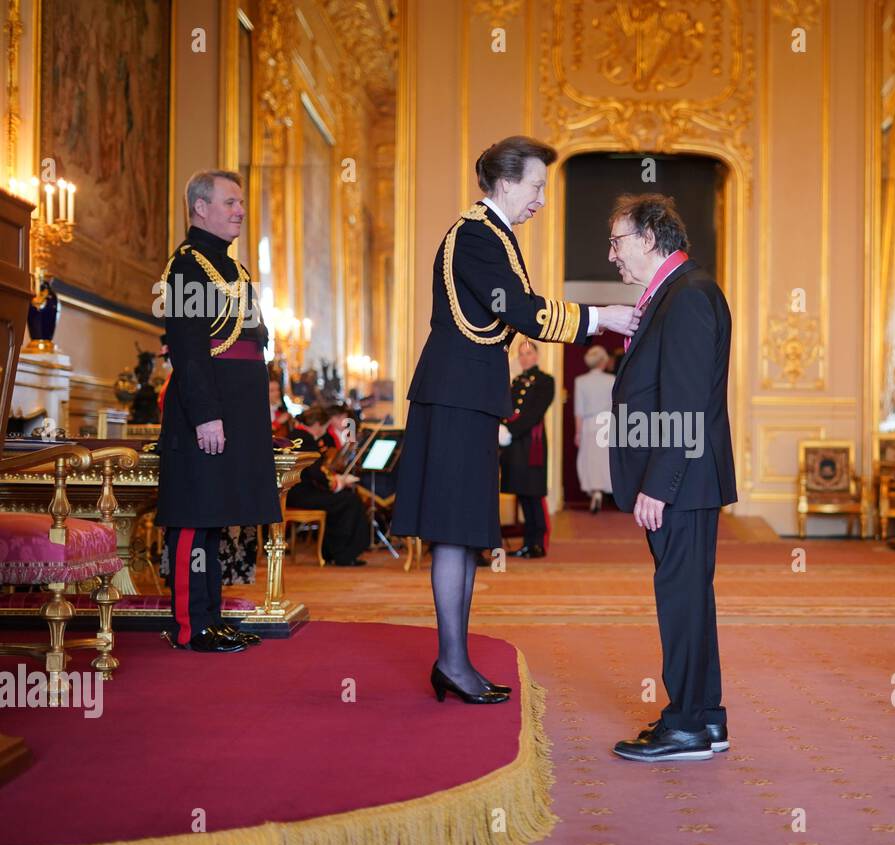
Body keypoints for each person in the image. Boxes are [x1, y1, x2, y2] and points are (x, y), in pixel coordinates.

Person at [391, 135, 639, 705]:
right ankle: (452, 661)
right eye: (536, 186)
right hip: (456, 397)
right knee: (456, 531)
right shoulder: (477, 235)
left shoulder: (492, 235)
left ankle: (453, 660)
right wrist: (600, 317)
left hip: (468, 395)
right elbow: (519, 309)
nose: (541, 200)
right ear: (506, 183)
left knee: (463, 532)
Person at [602, 194, 738, 762]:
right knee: (689, 597)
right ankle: (704, 719)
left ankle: (684, 725)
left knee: (679, 599)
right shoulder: (676, 294)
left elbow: (685, 401)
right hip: (685, 478)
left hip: (680, 482)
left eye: (617, 241)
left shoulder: (686, 297)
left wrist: (659, 484)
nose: (611, 255)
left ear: (651, 237)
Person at [156, 170, 280, 652]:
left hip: (239, 411)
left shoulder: (235, 270)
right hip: (203, 411)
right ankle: (191, 625)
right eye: (230, 202)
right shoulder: (186, 266)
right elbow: (187, 349)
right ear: (200, 207)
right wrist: (207, 413)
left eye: (242, 202)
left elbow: (255, 342)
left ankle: (214, 617)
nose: (240, 211)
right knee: (193, 516)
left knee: (215, 515)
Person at [286, 406, 371, 567]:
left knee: (343, 499)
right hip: (302, 495)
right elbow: (315, 473)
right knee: (349, 500)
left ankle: (333, 551)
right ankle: (343, 554)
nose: (324, 432)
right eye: (325, 427)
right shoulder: (305, 439)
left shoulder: (297, 435)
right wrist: (339, 482)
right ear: (318, 424)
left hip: (295, 492)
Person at [500, 339, 554, 557]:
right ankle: (527, 543)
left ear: (536, 356)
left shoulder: (545, 381)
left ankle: (538, 543)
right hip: (515, 445)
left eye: (528, 353)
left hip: (532, 444)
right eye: (521, 354)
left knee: (534, 494)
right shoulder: (516, 382)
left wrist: (510, 431)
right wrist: (502, 427)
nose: (525, 358)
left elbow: (533, 414)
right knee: (522, 493)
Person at [574, 344, 615, 513]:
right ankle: (603, 491)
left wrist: (577, 432)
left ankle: (595, 492)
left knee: (589, 460)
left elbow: (579, 410)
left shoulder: (581, 381)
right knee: (604, 461)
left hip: (589, 424)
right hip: (606, 424)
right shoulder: (611, 380)